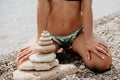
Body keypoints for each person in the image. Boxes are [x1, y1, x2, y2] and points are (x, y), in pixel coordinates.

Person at [16, 0, 112, 72]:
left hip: (77, 34)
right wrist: (39, 40)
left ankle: (75, 47)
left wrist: (89, 38)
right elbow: (43, 6)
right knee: (23, 63)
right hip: (50, 37)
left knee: (102, 63)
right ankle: (65, 49)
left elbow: (86, 8)